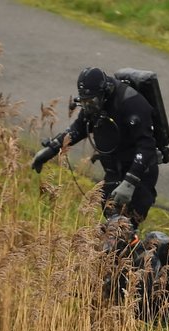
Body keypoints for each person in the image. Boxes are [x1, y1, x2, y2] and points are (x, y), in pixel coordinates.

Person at [31, 67, 159, 227]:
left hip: (139, 174)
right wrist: (50, 150)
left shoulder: (132, 104)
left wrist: (130, 182)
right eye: (84, 102)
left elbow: (146, 146)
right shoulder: (93, 103)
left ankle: (147, 249)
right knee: (111, 223)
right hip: (114, 171)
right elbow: (78, 129)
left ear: (104, 92)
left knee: (126, 227)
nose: (88, 107)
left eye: (91, 102)